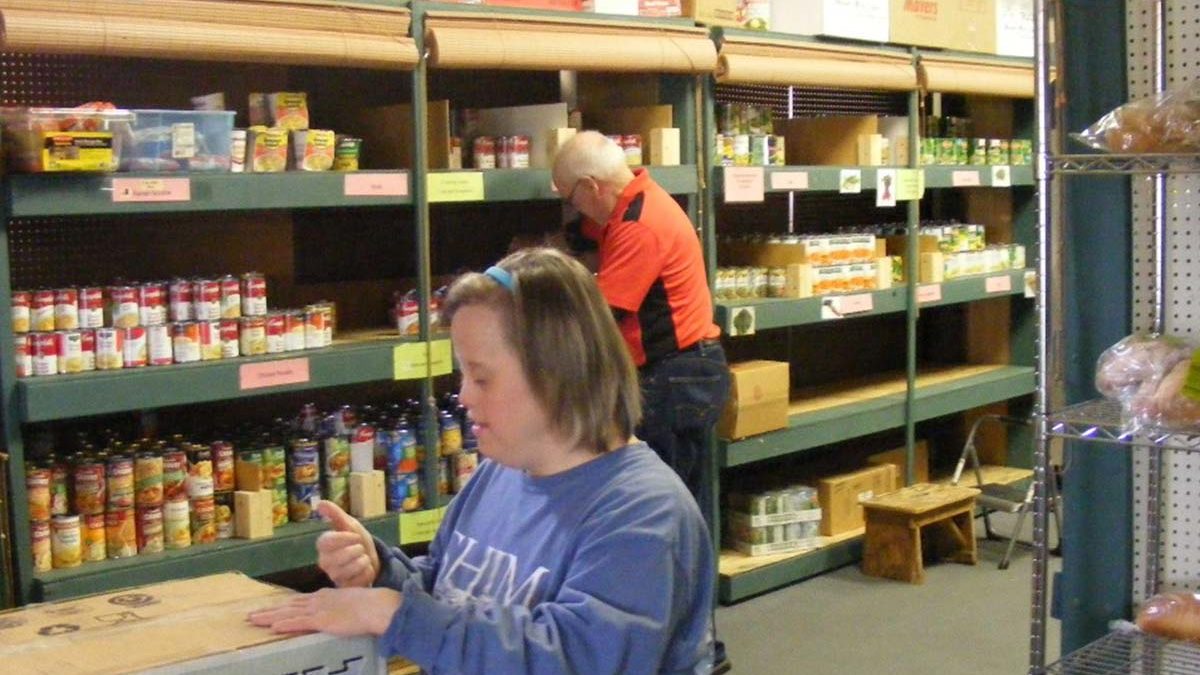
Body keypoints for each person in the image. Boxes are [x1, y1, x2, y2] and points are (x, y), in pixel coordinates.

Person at [249, 248, 716, 675]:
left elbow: (578, 659)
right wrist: (381, 574)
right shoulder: (502, 471)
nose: (464, 397)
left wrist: (392, 612)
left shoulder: (646, 515)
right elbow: (452, 594)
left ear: (557, 374)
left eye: (482, 377)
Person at [552, 131, 732, 674]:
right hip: (684, 376)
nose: (574, 209)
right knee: (681, 516)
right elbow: (587, 228)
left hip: (674, 381)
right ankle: (694, 649)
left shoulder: (640, 226)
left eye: (572, 196)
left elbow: (602, 316)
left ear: (591, 186)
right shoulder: (639, 200)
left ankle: (696, 653)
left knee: (671, 523)